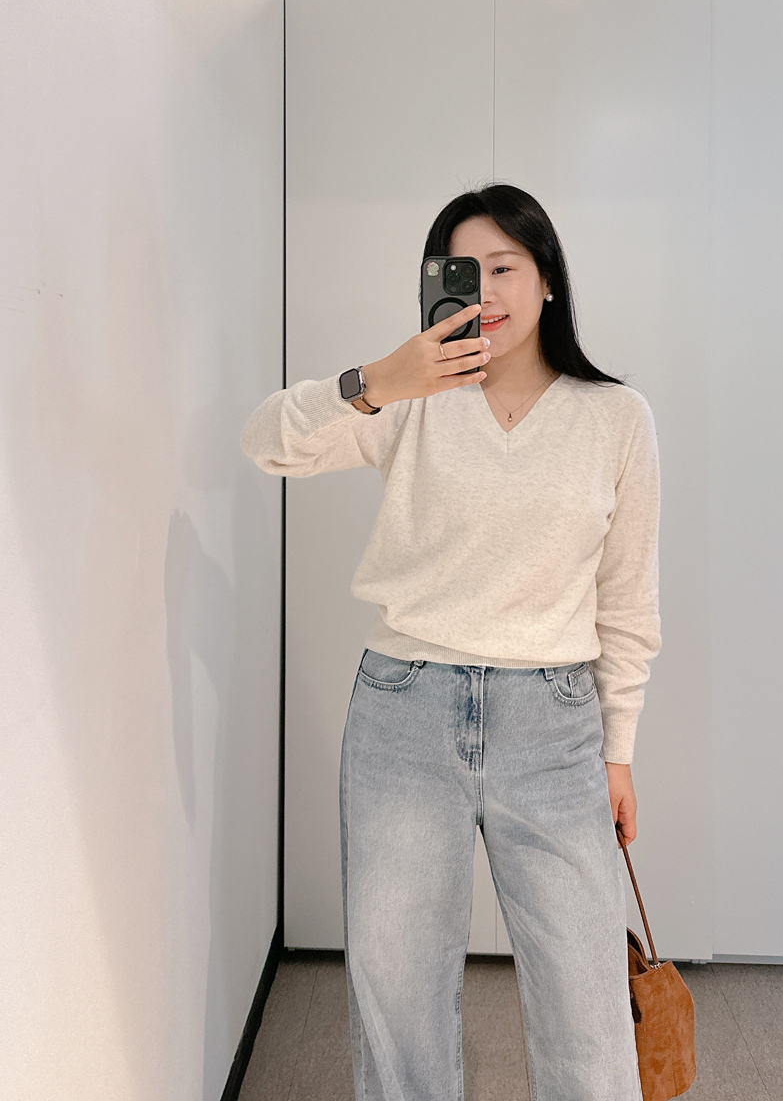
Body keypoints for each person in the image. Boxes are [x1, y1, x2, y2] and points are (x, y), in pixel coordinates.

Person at [241, 183, 661, 1101]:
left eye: (506, 267)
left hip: (554, 723)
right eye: (465, 271)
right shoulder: (410, 400)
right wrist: (376, 382)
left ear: (547, 279)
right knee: (397, 995)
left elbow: (628, 604)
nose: (488, 291)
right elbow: (266, 442)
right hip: (406, 709)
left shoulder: (616, 417)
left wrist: (619, 749)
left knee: (588, 1008)